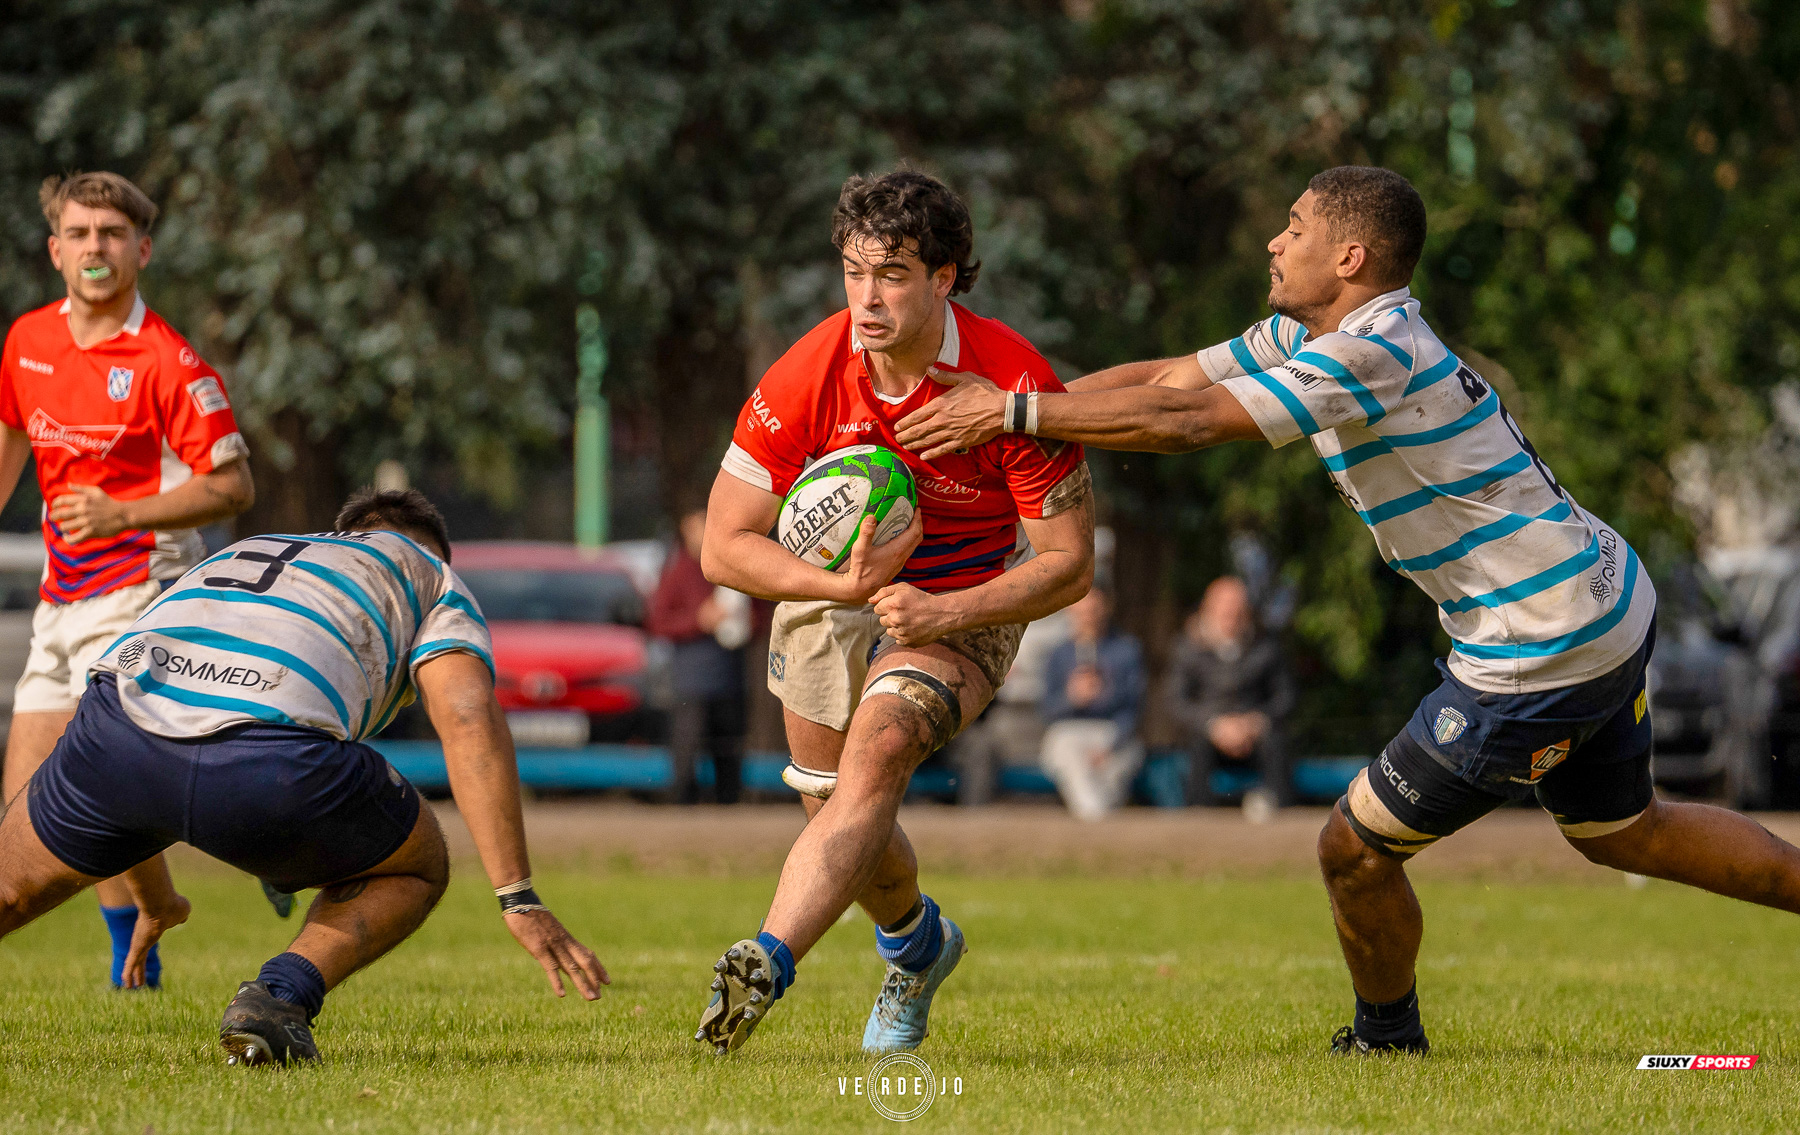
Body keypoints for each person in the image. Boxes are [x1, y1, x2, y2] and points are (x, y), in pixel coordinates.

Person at [898, 164, 1800, 1056]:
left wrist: (1012, 414)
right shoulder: (1312, 333)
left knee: (1354, 849)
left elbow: (1188, 426)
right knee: (1626, 831)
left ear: (1351, 255)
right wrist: (1001, 413)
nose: (1274, 239)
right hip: (1604, 595)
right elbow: (1172, 381)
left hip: (1543, 644)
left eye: (1295, 225)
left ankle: (1387, 1042)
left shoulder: (1369, 353)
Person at [695, 169, 1095, 1055]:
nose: (866, 298)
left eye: (894, 274)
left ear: (944, 277)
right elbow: (723, 546)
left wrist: (940, 609)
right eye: (853, 272)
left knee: (876, 754)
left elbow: (1070, 566)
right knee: (837, 808)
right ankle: (918, 945)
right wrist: (842, 588)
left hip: (965, 598)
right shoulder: (811, 369)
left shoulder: (1012, 380)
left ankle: (764, 961)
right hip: (830, 594)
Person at [0, 488, 607, 1064]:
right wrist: (517, 896)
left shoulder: (250, 549)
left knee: (10, 890)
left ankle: (284, 861)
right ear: (429, 549)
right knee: (417, 862)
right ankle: (279, 998)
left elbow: (145, 711)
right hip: (269, 761)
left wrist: (157, 899)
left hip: (114, 727)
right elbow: (468, 715)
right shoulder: (429, 574)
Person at [0, 171, 256, 988]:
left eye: (111, 234)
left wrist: (123, 513)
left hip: (137, 595)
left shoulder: (169, 361)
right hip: (58, 602)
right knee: (24, 818)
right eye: (79, 234)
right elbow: (9, 448)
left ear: (141, 249)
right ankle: (158, 907)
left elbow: (233, 487)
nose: (95, 248)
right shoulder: (27, 341)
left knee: (88, 797)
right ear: (55, 252)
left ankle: (137, 953)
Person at [1168, 576, 1296, 810]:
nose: (1231, 617)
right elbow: (1177, 702)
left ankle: (1282, 817)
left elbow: (1285, 698)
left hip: (1256, 735)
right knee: (1196, 749)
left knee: (1276, 746)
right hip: (1208, 735)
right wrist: (1213, 725)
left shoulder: (1267, 647)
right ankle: (1198, 818)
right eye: (1224, 611)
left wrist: (1255, 722)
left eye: (1238, 611)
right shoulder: (1187, 650)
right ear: (1208, 610)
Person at [647, 506, 746, 804]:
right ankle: (682, 807)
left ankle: (729, 808)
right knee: (687, 745)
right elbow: (658, 622)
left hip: (730, 674)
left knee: (728, 746)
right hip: (691, 678)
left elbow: (760, 613)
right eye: (697, 528)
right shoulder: (677, 572)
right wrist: (699, 620)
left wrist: (747, 623)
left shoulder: (733, 566)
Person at [1038, 587, 1145, 820]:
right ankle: (1096, 818)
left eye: (1093, 610)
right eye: (1082, 611)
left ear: (1106, 609)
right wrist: (1072, 698)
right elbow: (1046, 710)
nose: (1088, 617)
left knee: (1117, 766)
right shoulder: (1058, 654)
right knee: (1068, 754)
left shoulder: (1126, 651)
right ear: (1070, 612)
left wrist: (1110, 746)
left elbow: (1133, 708)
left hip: (1112, 731)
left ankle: (1092, 819)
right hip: (1069, 731)